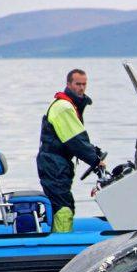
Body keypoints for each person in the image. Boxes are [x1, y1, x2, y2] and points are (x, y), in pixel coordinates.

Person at [37, 69, 105, 233]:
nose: (81, 88)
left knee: (64, 202)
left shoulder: (70, 105)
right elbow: (76, 141)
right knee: (63, 206)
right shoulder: (64, 107)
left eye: (84, 84)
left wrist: (95, 152)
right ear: (69, 84)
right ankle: (59, 243)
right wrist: (96, 160)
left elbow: (76, 138)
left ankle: (58, 234)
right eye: (78, 84)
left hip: (58, 163)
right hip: (54, 164)